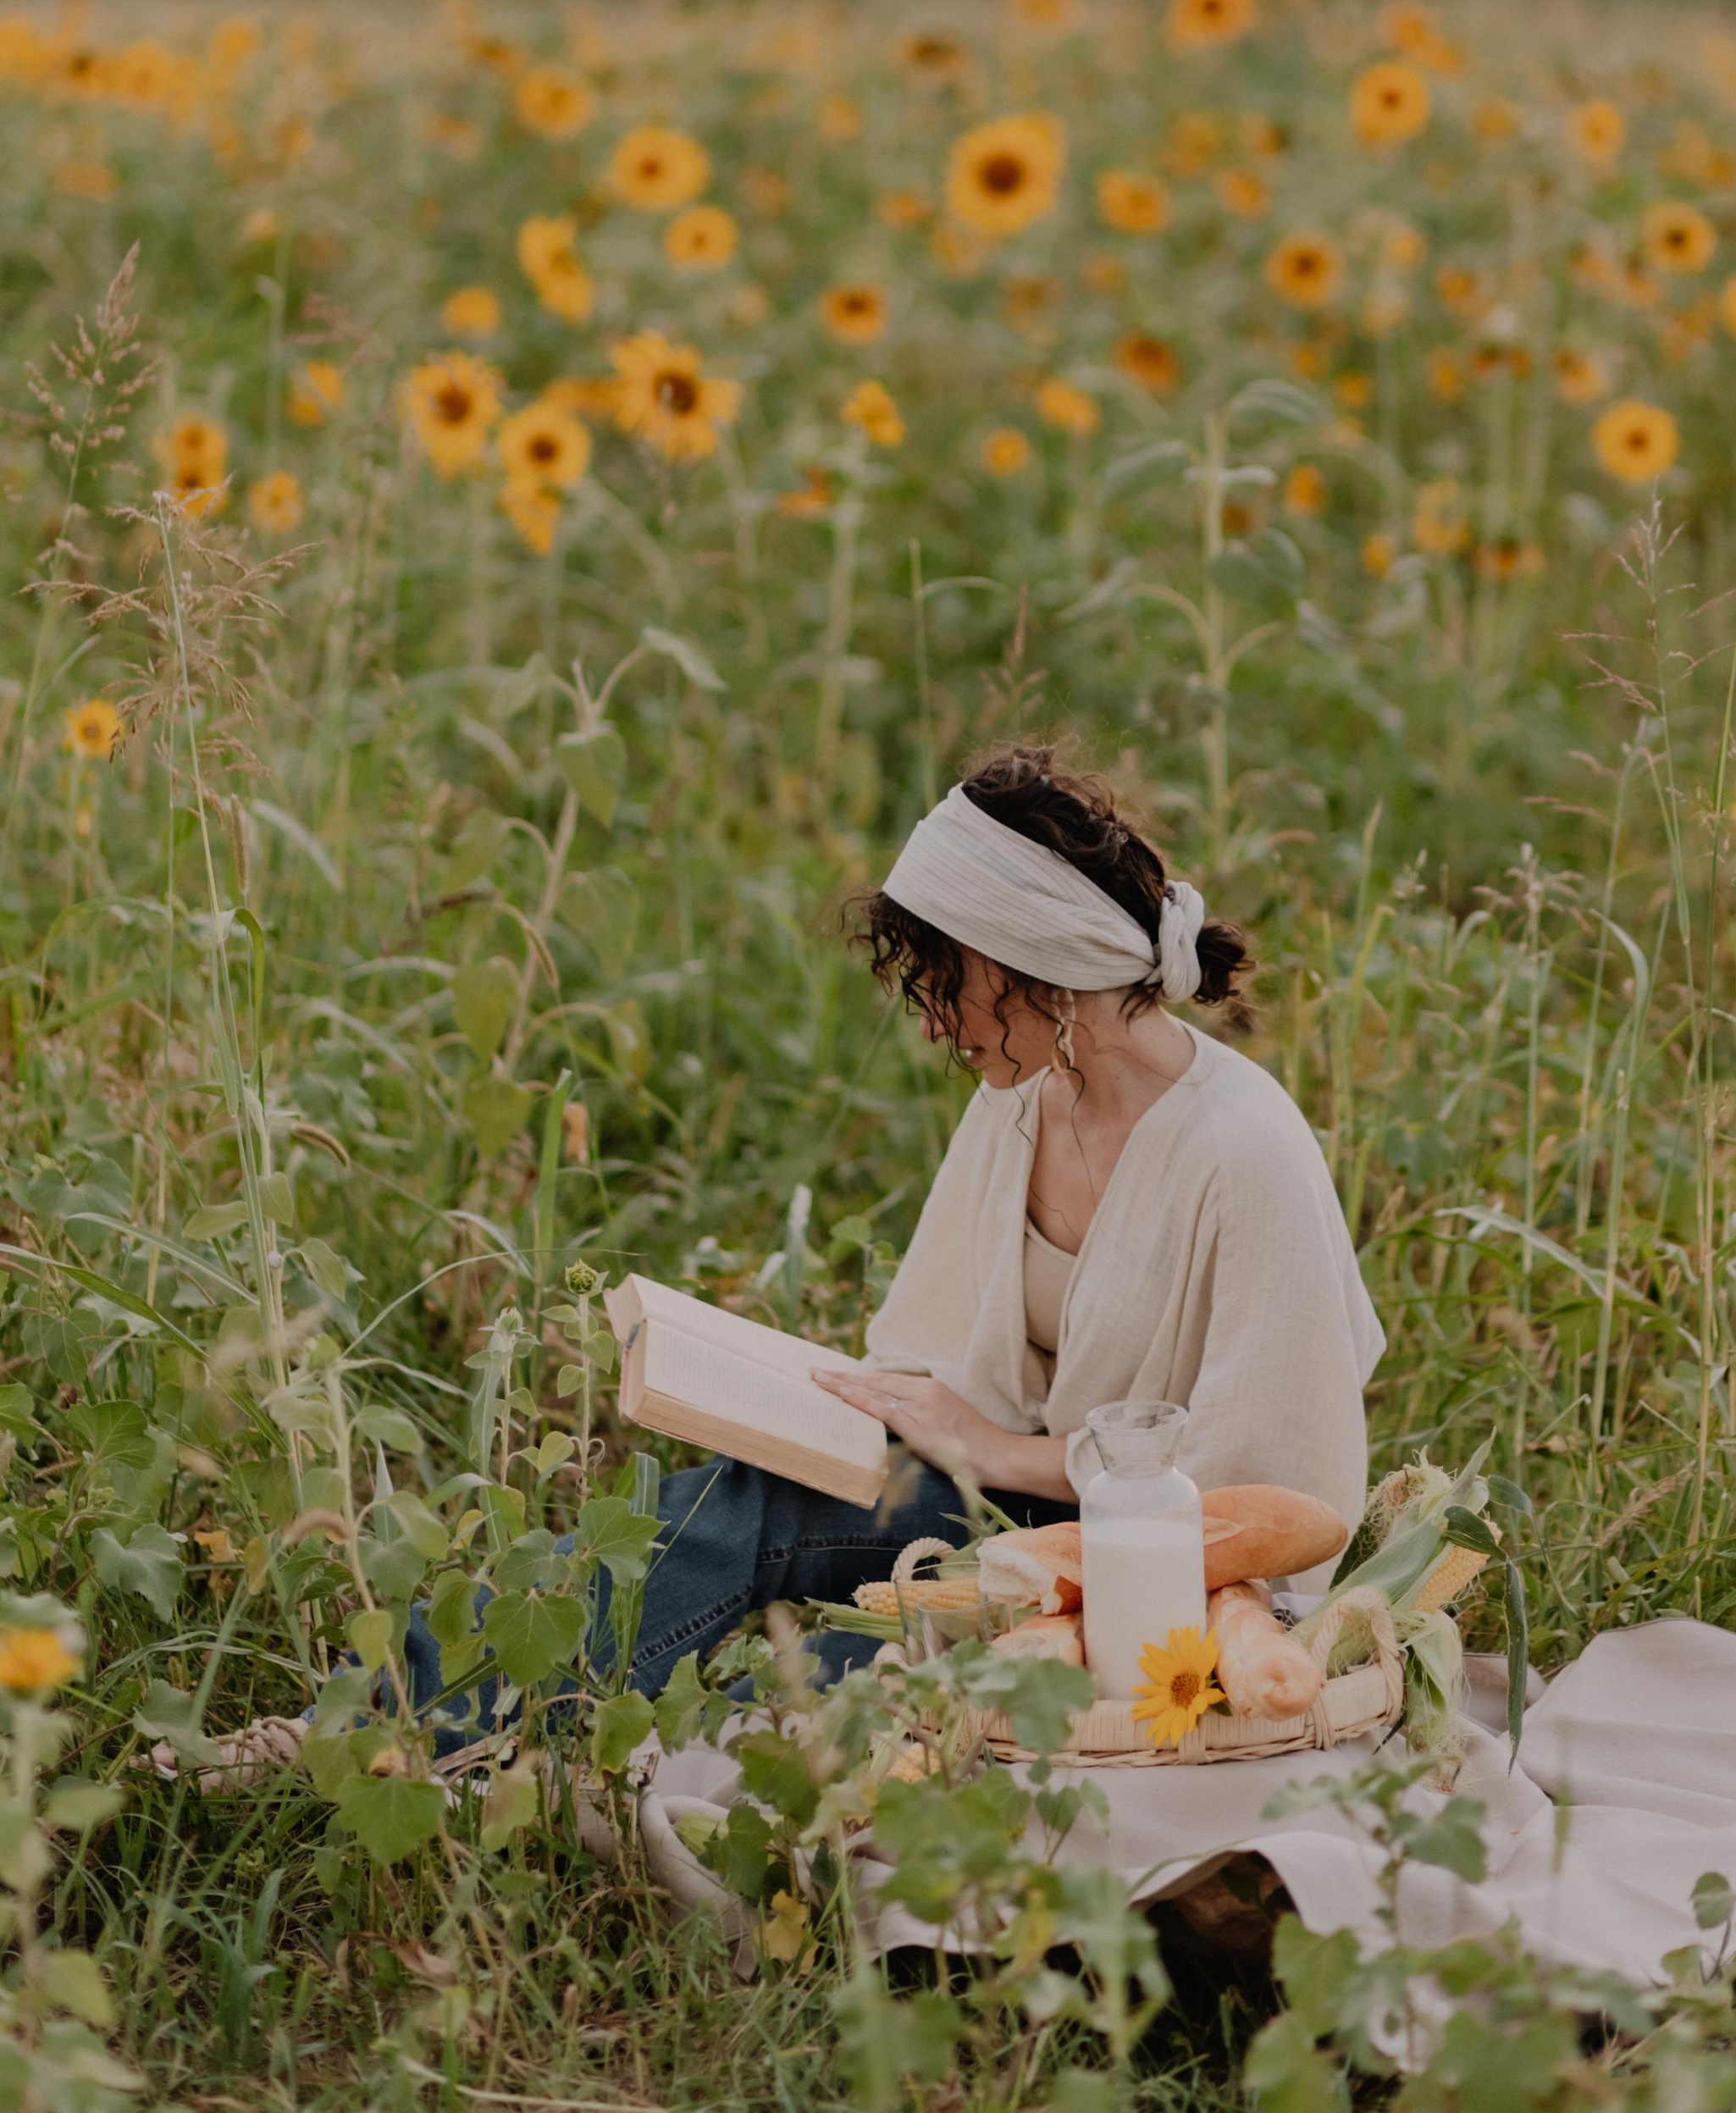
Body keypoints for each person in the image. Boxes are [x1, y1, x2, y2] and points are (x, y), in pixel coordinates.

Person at [175, 744, 1384, 1771]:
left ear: (1035, 973)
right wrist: (869, 1417)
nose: (929, 1022)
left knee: (851, 1672)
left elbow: (1276, 1497)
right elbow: (957, 1364)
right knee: (726, 1497)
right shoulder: (1031, 1089)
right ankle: (363, 1725)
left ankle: (539, 1760)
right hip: (1030, 1495)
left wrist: (998, 1451)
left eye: (943, 984)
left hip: (1174, 1569)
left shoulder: (1245, 1151)